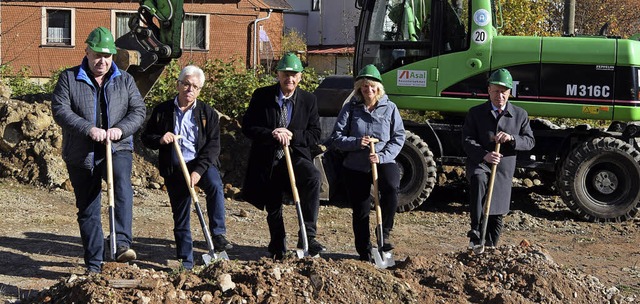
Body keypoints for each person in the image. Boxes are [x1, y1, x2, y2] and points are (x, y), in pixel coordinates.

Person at [51, 27, 146, 273]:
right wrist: (87, 128)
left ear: (113, 56)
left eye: (107, 55)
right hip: (81, 153)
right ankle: (94, 264)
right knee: (88, 207)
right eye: (97, 55)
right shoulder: (69, 78)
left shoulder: (125, 80)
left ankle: (122, 244)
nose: (102, 61)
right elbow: (61, 110)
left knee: (122, 188)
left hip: (117, 147)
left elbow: (138, 111)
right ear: (87, 52)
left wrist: (121, 130)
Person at [141, 65, 232, 270]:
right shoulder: (162, 111)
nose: (190, 89)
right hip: (175, 167)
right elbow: (146, 137)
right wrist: (161, 139)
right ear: (178, 84)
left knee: (215, 186)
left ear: (200, 90)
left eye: (195, 87)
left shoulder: (208, 113)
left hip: (200, 163)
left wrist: (198, 172)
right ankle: (186, 262)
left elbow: (213, 147)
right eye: (186, 84)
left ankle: (218, 235)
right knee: (181, 214)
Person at [242, 53, 325, 259]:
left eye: (294, 74)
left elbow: (315, 134)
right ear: (278, 75)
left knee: (313, 177)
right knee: (273, 204)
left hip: (295, 157)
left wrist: (292, 135)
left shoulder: (309, 100)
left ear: (300, 77)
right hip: (268, 159)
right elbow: (248, 127)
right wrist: (272, 133)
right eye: (286, 74)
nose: (290, 78)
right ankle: (277, 245)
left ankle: (308, 236)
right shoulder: (261, 96)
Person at [327, 64, 405, 261]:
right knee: (360, 209)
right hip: (356, 164)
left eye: (372, 87)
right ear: (359, 89)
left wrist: (382, 156)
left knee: (391, 187)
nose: (368, 90)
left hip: (382, 160)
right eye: (364, 87)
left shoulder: (390, 108)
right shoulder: (350, 109)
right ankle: (364, 250)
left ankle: (384, 233)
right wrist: (356, 142)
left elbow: (399, 137)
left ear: (378, 88)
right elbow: (336, 137)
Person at [462, 68, 535, 250]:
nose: (499, 96)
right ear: (489, 90)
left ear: (510, 92)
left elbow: (529, 141)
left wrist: (511, 138)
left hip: (503, 168)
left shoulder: (520, 115)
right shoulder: (476, 113)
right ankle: (476, 231)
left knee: (497, 210)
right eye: (495, 91)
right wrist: (484, 155)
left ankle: (491, 247)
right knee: (479, 180)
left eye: (503, 92)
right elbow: (467, 140)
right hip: (480, 162)